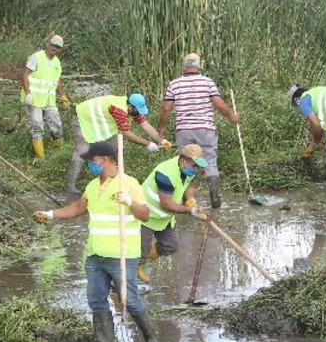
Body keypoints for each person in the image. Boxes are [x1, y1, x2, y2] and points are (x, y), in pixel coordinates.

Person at [34, 141, 158, 342]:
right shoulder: (92, 185)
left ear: (105, 160)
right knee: (96, 299)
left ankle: (150, 337)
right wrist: (50, 215)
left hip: (122, 254)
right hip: (95, 255)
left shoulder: (128, 184)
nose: (90, 164)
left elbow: (145, 215)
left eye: (93, 160)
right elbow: (78, 208)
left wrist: (129, 202)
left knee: (129, 299)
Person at [157, 53, 239, 208]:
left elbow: (166, 109)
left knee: (184, 162)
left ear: (184, 67)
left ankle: (187, 200)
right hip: (205, 129)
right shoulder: (208, 82)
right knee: (210, 162)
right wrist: (232, 117)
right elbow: (220, 105)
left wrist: (161, 130)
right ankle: (215, 198)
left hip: (184, 130)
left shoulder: (174, 84)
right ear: (199, 66)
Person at [64, 92, 172, 196]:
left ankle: (116, 180)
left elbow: (145, 125)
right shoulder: (119, 109)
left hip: (101, 121)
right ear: (130, 106)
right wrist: (147, 144)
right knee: (81, 152)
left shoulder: (132, 109)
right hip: (82, 118)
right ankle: (70, 186)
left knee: (114, 148)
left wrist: (161, 140)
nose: (138, 113)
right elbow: (127, 134)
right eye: (137, 110)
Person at [137, 143, 209, 283]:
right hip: (145, 215)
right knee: (140, 251)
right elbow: (166, 204)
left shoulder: (189, 169)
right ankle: (123, 280)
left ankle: (143, 262)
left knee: (170, 245)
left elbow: (189, 186)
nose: (196, 169)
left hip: (164, 218)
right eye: (194, 166)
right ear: (183, 161)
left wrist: (190, 200)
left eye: (198, 166)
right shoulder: (165, 174)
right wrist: (190, 211)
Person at [22, 34, 71, 159]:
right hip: (34, 100)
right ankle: (41, 159)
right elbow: (25, 74)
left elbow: (57, 80)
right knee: (37, 127)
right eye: (53, 45)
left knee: (56, 126)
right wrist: (28, 94)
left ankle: (58, 155)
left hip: (49, 101)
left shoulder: (57, 62)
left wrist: (63, 96)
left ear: (60, 50)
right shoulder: (36, 57)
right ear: (48, 45)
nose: (54, 48)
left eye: (58, 47)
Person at [288, 84, 326, 161]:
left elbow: (316, 125)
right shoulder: (315, 93)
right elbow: (321, 127)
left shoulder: (303, 101)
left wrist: (315, 143)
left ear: (296, 99)